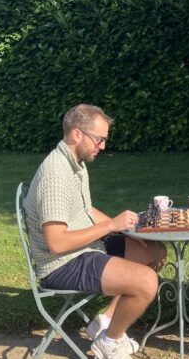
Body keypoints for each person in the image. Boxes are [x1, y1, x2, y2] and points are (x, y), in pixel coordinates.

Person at [24, 104, 166, 359]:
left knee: (154, 249)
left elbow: (86, 210)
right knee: (146, 282)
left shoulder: (74, 163)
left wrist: (130, 232)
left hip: (84, 248)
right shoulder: (56, 174)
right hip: (61, 263)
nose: (103, 146)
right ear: (77, 134)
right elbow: (56, 243)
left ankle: (104, 321)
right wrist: (112, 226)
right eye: (99, 139)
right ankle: (109, 343)